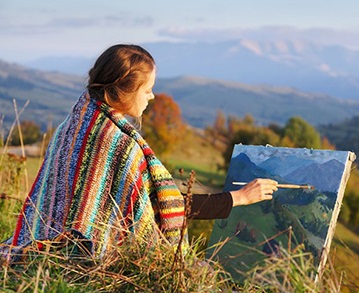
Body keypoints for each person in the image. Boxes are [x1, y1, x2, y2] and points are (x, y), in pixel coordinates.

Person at [0, 44, 278, 263]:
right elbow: (162, 208)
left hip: (44, 246)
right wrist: (239, 197)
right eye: (148, 89)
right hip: (80, 259)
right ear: (123, 91)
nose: (153, 97)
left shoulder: (72, 125)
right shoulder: (118, 145)